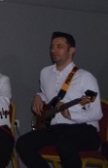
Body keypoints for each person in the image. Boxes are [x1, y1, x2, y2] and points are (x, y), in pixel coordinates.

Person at [16, 32, 102, 168]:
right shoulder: (45, 73)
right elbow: (47, 93)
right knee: (23, 143)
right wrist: (38, 97)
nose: (54, 50)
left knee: (65, 144)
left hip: (85, 129)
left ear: (71, 50)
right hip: (57, 128)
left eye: (59, 47)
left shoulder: (86, 77)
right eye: (52, 46)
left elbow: (97, 113)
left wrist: (72, 115)